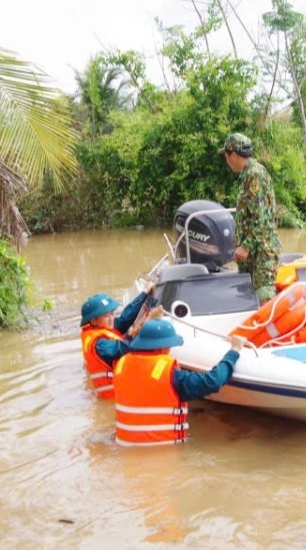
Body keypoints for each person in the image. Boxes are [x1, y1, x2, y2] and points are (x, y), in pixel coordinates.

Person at [113, 320, 246, 447]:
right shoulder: (171, 374)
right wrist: (233, 351)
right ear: (164, 348)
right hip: (162, 452)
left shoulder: (122, 364)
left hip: (124, 446)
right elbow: (213, 381)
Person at [221, 132, 281, 303]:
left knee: (264, 300)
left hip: (261, 252)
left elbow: (263, 218)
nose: (227, 162)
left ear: (233, 155)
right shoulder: (247, 175)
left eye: (226, 157)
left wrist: (245, 247)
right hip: (251, 254)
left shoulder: (254, 175)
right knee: (249, 302)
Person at [79, 284, 161, 399]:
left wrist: (144, 294)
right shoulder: (99, 344)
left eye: (112, 313)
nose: (111, 318)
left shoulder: (102, 327)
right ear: (94, 321)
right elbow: (124, 348)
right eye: (106, 316)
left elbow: (125, 318)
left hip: (121, 389)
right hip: (115, 396)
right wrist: (144, 327)